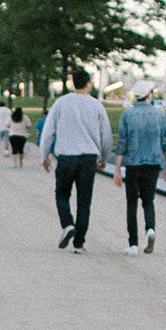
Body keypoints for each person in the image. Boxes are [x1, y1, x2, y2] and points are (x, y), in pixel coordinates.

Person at [38, 69, 111, 252]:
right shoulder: (96, 105)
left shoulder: (61, 103)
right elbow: (106, 135)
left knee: (61, 194)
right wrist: (103, 156)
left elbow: (48, 132)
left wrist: (44, 155)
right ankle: (79, 243)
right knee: (84, 201)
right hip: (88, 158)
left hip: (66, 156)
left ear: (72, 84)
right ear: (88, 84)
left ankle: (67, 224)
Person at [114, 86, 166, 255]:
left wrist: (117, 169)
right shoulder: (161, 115)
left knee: (131, 204)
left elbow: (121, 145)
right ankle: (150, 228)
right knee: (148, 201)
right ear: (149, 95)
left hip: (133, 163)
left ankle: (133, 244)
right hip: (153, 163)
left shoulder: (127, 115)